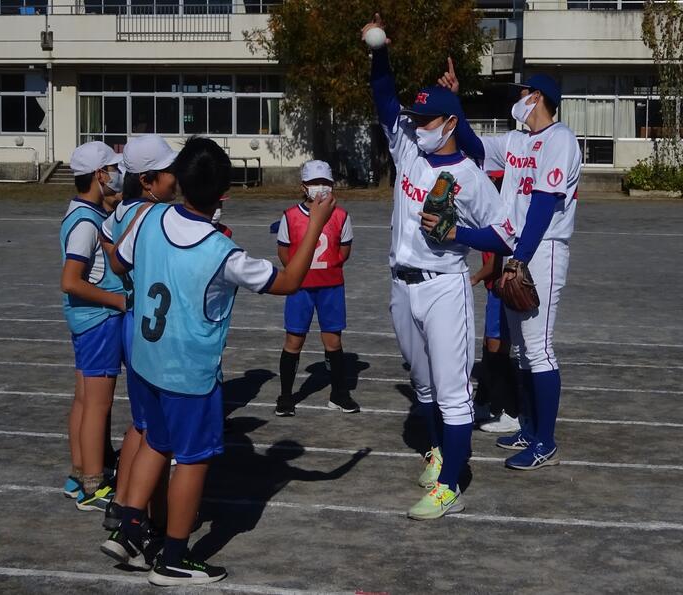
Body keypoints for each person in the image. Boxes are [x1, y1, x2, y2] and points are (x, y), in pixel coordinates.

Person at [107, 136, 338, 585]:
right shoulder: (222, 253)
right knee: (193, 459)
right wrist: (316, 223)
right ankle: (174, 558)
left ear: (179, 179)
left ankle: (129, 525)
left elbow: (119, 263)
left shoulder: (150, 217)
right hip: (189, 370)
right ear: (225, 193)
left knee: (155, 440)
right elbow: (290, 280)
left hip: (146, 356)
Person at [364, 13, 513, 520]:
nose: (416, 124)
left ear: (450, 124)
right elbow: (385, 97)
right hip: (401, 286)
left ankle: (450, 487)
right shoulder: (409, 149)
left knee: (452, 392)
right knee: (423, 383)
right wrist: (379, 52)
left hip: (444, 288)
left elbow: (504, 235)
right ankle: (436, 451)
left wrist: (458, 236)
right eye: (416, 117)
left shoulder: (471, 178)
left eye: (427, 119)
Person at [437, 59, 582, 470]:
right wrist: (454, 101)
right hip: (519, 249)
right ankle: (530, 429)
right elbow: (472, 144)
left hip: (543, 249)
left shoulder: (560, 139)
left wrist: (519, 257)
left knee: (539, 349)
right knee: (522, 350)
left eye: (522, 94)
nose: (516, 100)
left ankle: (545, 442)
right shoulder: (518, 140)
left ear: (537, 98)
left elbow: (543, 205)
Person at [99, 135, 177, 537]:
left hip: (136, 320)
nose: (176, 177)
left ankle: (124, 502)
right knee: (152, 427)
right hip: (149, 325)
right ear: (147, 180)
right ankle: (136, 509)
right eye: (169, 171)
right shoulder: (153, 214)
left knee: (142, 423)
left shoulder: (121, 209)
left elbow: (109, 244)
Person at [59, 141, 126, 512]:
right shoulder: (86, 222)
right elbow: (71, 281)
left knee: (85, 400)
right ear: (100, 175)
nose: (117, 175)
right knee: (98, 405)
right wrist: (118, 301)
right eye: (113, 169)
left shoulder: (84, 212)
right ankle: (93, 485)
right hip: (98, 320)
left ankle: (79, 474)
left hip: (88, 319)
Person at [274, 160, 358, 417]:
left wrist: (328, 267)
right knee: (294, 340)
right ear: (303, 186)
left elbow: (344, 251)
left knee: (333, 340)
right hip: (300, 287)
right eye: (314, 183)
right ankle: (286, 396)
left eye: (325, 183)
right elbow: (283, 251)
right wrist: (296, 272)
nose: (320, 187)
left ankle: (339, 394)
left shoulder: (341, 216)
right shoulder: (290, 216)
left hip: (331, 287)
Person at [472, 170, 519, 434]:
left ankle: (509, 410)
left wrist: (473, 277)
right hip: (496, 288)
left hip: (503, 288)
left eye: (496, 180)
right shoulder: (496, 210)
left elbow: (497, 261)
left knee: (497, 349)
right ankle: (483, 401)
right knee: (490, 347)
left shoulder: (506, 212)